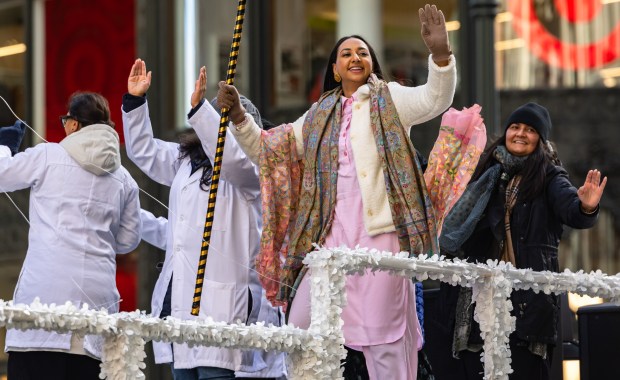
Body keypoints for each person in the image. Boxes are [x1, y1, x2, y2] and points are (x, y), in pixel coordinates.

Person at [216, 4, 457, 379]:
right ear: (334, 68)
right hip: (329, 245)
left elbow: (434, 99)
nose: (354, 57)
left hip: (381, 242)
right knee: (301, 331)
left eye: (362, 52)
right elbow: (269, 149)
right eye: (346, 53)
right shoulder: (317, 115)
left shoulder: (390, 98)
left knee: (384, 341)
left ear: (372, 64)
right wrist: (239, 120)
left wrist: (440, 56)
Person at [122, 59, 286, 380]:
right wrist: (136, 102)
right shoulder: (185, 162)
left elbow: (230, 159)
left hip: (222, 308)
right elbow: (143, 150)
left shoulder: (252, 168)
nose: (218, 128)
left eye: (227, 122)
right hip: (181, 306)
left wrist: (202, 110)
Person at [435, 102, 607, 380]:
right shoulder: (484, 171)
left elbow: (571, 210)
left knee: (524, 369)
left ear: (540, 138)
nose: (520, 133)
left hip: (526, 300)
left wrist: (586, 207)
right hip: (479, 295)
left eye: (530, 130)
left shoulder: (550, 176)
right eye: (515, 127)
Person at [0, 92, 141, 379]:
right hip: (97, 307)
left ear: (74, 125)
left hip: (43, 304)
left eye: (66, 120)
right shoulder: (125, 178)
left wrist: (4, 146)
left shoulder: (48, 155)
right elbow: (129, 240)